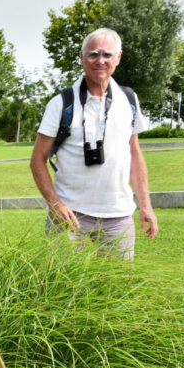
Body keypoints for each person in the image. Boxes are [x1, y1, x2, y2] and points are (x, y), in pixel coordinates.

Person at [30, 28, 159, 260]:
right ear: (81, 58)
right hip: (68, 216)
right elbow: (37, 160)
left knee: (116, 290)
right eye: (93, 54)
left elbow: (135, 154)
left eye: (107, 55)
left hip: (118, 217)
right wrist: (55, 205)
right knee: (60, 289)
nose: (100, 61)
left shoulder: (129, 99)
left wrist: (145, 206)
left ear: (118, 57)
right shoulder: (61, 103)